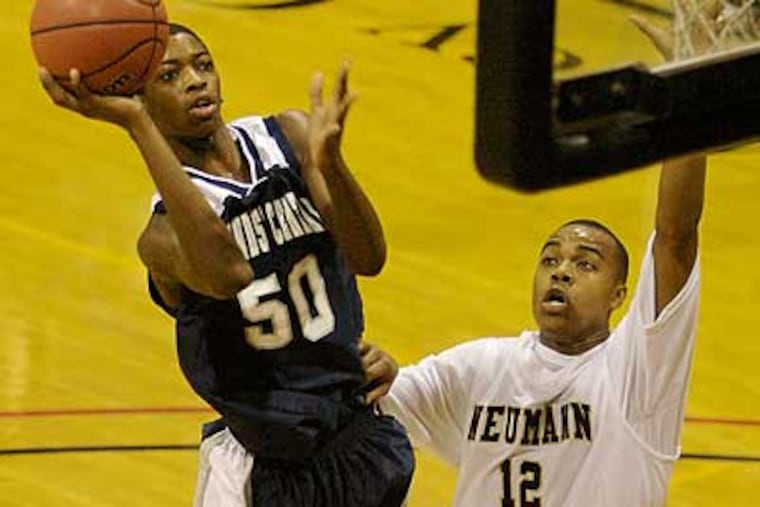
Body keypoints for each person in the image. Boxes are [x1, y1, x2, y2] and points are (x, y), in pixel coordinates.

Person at [38, 23, 413, 507]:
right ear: (142, 99)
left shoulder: (291, 137)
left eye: (204, 64)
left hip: (356, 430)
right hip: (266, 465)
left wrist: (332, 164)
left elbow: (370, 258)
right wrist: (137, 127)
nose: (196, 80)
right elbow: (227, 274)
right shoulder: (162, 238)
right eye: (170, 75)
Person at [360, 16, 708, 507]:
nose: (561, 270)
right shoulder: (484, 368)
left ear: (619, 296)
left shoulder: (637, 378)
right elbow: (379, 399)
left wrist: (689, 90)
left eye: (586, 264)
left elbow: (675, 238)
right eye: (550, 259)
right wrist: (370, 368)